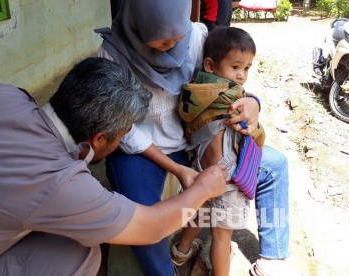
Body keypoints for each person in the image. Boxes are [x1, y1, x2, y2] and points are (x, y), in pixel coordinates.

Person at [0, 57, 229, 275]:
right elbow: (153, 227)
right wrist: (202, 189)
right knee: (82, 252)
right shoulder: (61, 181)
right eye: (122, 134)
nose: (123, 139)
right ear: (100, 139)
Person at [96, 0, 298, 275]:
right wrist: (177, 169)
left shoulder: (198, 36)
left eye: (176, 35)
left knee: (275, 166)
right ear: (138, 24)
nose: (171, 45)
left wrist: (253, 103)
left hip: (194, 141)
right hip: (142, 150)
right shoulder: (112, 56)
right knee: (141, 217)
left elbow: (227, 79)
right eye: (160, 38)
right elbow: (125, 130)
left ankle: (272, 258)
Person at [173, 26, 264, 276]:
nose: (242, 76)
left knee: (199, 213)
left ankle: (180, 252)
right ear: (211, 65)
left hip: (200, 169)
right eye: (236, 67)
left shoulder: (195, 89)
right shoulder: (234, 99)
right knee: (221, 238)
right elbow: (253, 133)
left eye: (246, 68)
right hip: (227, 177)